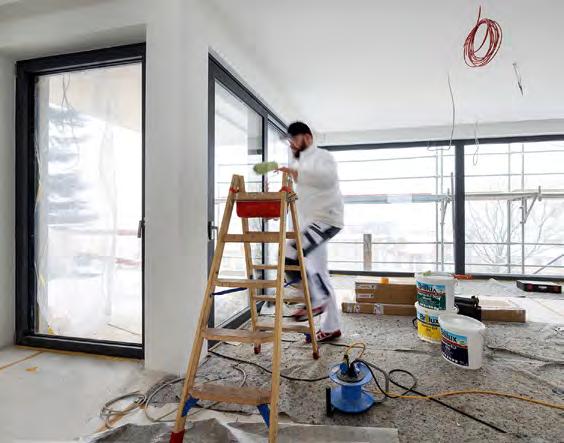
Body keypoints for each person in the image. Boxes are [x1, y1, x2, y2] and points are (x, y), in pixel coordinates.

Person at [277, 121, 344, 342]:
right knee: (319, 274)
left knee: (290, 253)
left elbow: (327, 178)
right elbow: (306, 196)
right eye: (290, 142)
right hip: (312, 223)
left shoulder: (322, 157)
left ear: (307, 137)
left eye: (295, 140)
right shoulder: (302, 163)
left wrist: (296, 173)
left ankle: (316, 299)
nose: (292, 145)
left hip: (325, 219)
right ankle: (332, 326)